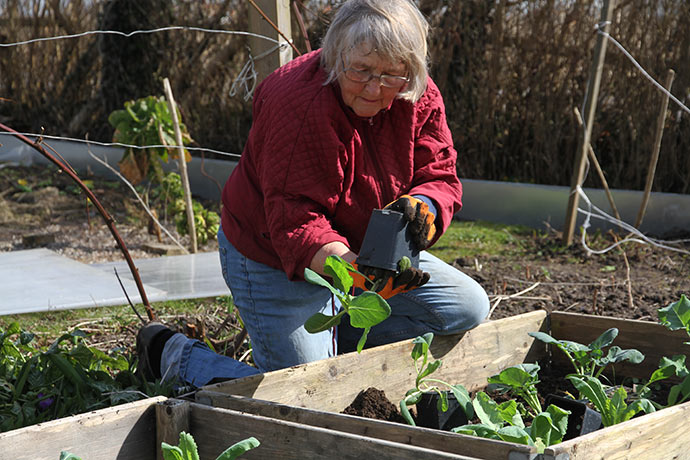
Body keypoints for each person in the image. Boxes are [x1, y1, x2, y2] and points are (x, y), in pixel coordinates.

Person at [137, 0, 489, 387]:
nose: (375, 87)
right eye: (362, 70)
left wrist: (426, 206)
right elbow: (294, 220)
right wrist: (351, 274)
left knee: (466, 307)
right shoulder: (298, 105)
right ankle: (175, 354)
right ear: (337, 56)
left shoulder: (413, 91)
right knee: (306, 389)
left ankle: (334, 345)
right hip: (269, 254)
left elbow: (438, 170)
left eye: (391, 74)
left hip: (365, 250)